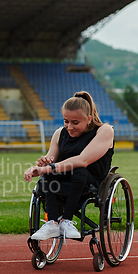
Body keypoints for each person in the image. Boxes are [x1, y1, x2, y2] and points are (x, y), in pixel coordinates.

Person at [24, 91, 114, 240]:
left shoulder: (104, 131)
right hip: (66, 180)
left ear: (89, 119)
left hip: (90, 182)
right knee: (49, 172)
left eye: (75, 122)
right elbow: (51, 160)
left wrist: (48, 167)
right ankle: (52, 223)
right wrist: (43, 163)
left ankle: (66, 221)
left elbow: (83, 160)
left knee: (79, 169)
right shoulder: (60, 133)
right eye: (66, 121)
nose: (69, 127)